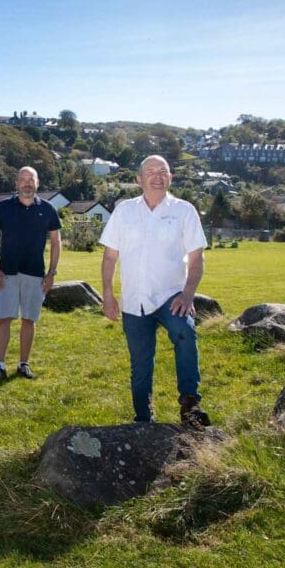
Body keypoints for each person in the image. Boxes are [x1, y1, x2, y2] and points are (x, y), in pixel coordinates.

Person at [99, 155, 212, 427]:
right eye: (151, 171)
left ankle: (189, 403)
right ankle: (143, 420)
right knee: (140, 365)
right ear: (139, 179)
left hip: (171, 296)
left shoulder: (184, 211)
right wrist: (107, 294)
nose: (157, 175)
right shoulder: (124, 212)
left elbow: (196, 259)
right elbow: (110, 257)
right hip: (134, 300)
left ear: (170, 177)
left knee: (184, 331)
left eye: (164, 170)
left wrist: (187, 295)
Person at [0, 166, 61, 382]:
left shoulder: (48, 209)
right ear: (16, 183)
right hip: (6, 273)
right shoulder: (4, 207)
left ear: (38, 183)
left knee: (29, 319)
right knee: (4, 318)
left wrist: (51, 273)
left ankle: (23, 364)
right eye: (22, 179)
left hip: (36, 273)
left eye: (31, 179)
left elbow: (56, 241)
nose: (27, 183)